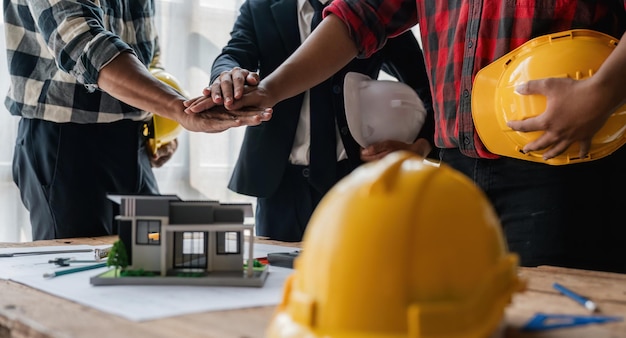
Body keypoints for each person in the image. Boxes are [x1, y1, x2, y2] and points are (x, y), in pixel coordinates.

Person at [186, 1, 626, 273]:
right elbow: (358, 16)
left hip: (565, 162)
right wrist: (267, 91)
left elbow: (413, 80)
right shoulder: (261, 9)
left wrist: (601, 91)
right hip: (458, 175)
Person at [3, 1, 270, 241]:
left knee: (149, 264)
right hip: (64, 142)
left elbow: (149, 57)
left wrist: (161, 126)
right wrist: (177, 109)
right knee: (75, 272)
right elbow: (84, 43)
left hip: (133, 140)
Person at [205, 0, 435, 242]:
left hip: (354, 177)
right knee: (277, 274)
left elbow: (430, 88)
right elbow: (232, 54)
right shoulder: (259, 7)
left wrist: (420, 147)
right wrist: (226, 74)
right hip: (279, 186)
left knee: (349, 273)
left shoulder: (374, 10)